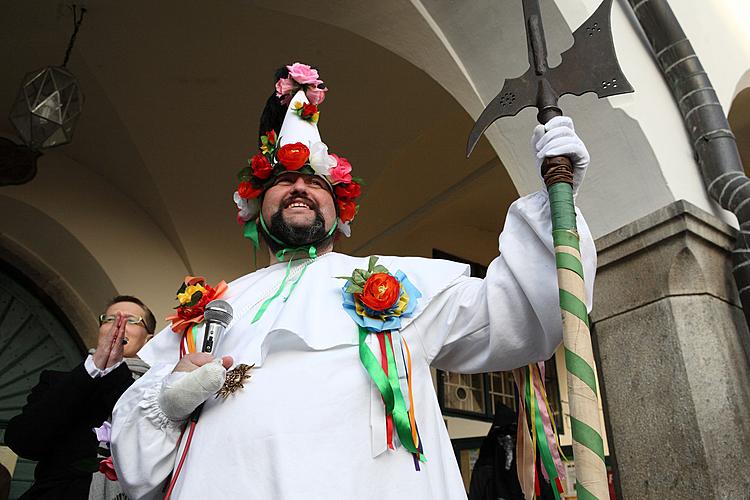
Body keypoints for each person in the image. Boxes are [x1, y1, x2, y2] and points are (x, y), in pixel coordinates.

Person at [111, 63, 596, 500]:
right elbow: (140, 470)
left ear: (337, 209)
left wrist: (556, 206)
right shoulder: (212, 308)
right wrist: (167, 401)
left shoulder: (395, 280)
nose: (300, 186)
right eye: (284, 179)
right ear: (257, 206)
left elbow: (519, 315)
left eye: (317, 183)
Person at [6, 296, 155, 500]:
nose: (118, 325)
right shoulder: (56, 381)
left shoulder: (157, 389)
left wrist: (114, 367)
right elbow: (24, 441)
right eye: (110, 319)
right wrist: (92, 369)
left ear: (148, 339)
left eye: (130, 320)